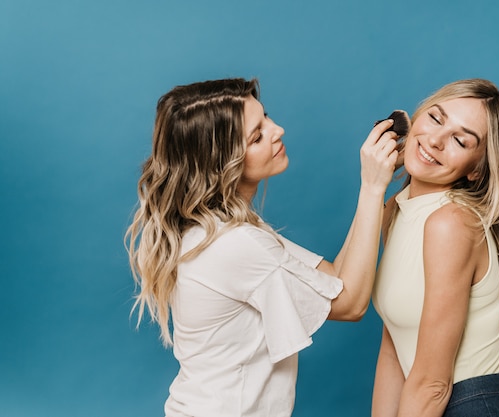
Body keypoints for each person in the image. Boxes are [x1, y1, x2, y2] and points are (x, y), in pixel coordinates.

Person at [125, 78, 398, 417]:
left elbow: (336, 283)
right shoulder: (237, 244)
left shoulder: (223, 230)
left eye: (266, 117)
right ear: (221, 163)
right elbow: (351, 304)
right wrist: (372, 188)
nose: (277, 130)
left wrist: (372, 184)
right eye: (256, 136)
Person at [371, 79, 499, 417]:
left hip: (464, 404)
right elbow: (394, 351)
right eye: (436, 119)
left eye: (460, 140)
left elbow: (433, 384)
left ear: (476, 169)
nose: (436, 141)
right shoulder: (396, 208)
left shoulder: (452, 223)